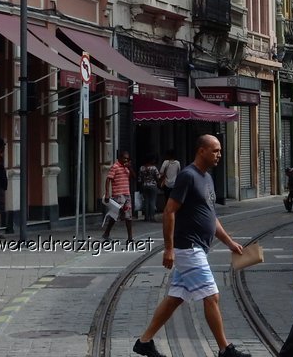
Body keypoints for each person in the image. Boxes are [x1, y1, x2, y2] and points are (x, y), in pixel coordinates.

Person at [133, 135, 249, 357]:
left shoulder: (207, 178)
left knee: (175, 298)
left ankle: (144, 342)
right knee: (212, 296)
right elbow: (169, 211)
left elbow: (211, 216)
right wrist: (169, 248)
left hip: (198, 247)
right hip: (188, 247)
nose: (219, 155)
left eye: (220, 151)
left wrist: (229, 242)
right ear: (201, 150)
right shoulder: (188, 176)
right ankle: (225, 349)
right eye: (215, 150)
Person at [102, 150, 135, 241]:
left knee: (128, 215)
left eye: (127, 159)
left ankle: (130, 237)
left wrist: (130, 168)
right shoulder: (115, 167)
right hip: (118, 194)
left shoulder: (127, 168)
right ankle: (106, 233)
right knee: (115, 214)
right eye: (124, 158)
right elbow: (108, 179)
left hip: (127, 194)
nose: (126, 160)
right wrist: (107, 193)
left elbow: (134, 177)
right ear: (120, 158)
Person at [139, 155, 161, 223]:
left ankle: (146, 217)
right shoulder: (154, 168)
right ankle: (152, 217)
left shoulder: (142, 168)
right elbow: (158, 177)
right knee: (152, 201)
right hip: (153, 185)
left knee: (146, 201)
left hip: (144, 185)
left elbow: (140, 179)